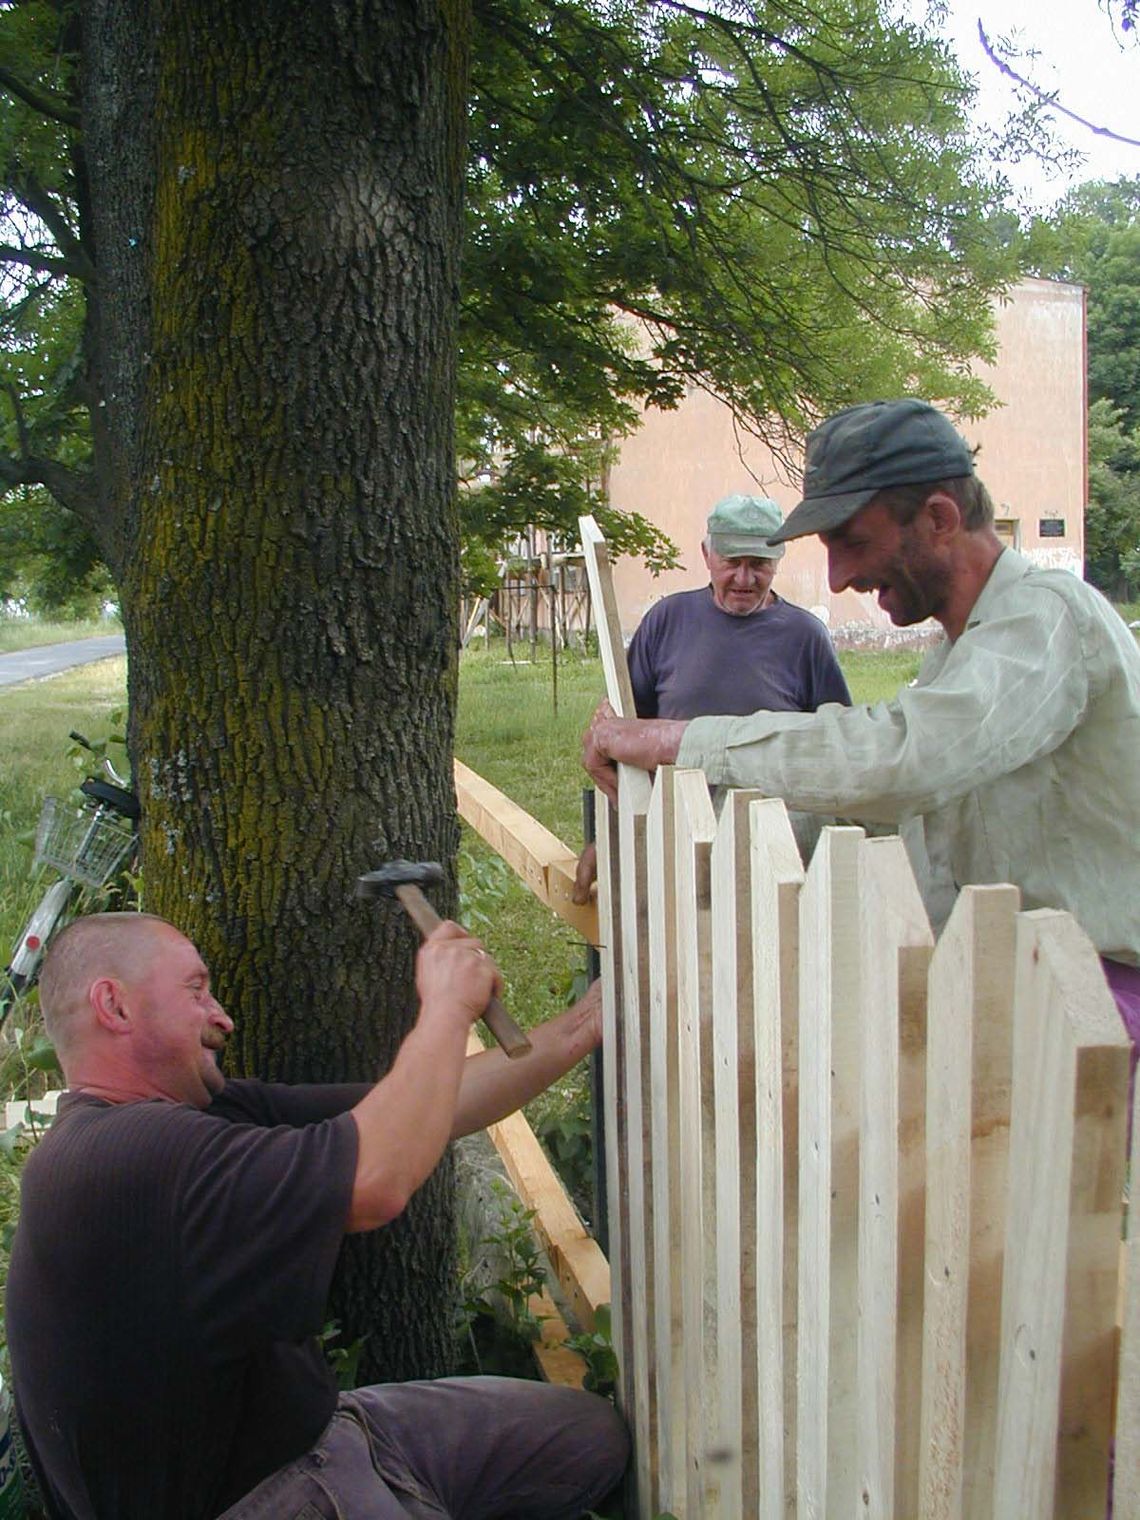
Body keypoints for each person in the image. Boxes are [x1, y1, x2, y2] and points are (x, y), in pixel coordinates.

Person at [6, 911, 628, 1520]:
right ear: (114, 1006)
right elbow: (377, 1180)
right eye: (196, 990)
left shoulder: (194, 1117)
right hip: (264, 1498)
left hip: (321, 1433)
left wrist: (586, 1023)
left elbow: (429, 1108)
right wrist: (446, 1007)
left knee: (591, 1440)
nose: (221, 1016)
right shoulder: (125, 1159)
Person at [581, 397, 1140, 1056]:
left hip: (1087, 1010)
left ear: (939, 518)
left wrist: (677, 739)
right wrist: (665, 848)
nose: (840, 576)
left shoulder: (1046, 620)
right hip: (1005, 991)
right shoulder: (962, 655)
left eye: (853, 542)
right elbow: (865, 813)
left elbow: (899, 761)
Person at [573, 493, 850, 900]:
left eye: (759, 564)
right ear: (707, 554)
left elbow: (837, 754)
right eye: (731, 562)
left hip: (776, 854)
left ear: (778, 560)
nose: (744, 578)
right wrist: (612, 840)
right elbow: (622, 744)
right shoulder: (666, 622)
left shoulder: (806, 638)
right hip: (674, 841)